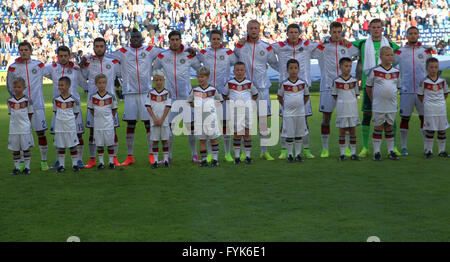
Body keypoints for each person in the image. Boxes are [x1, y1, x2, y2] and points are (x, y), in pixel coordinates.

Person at [108, 28, 161, 166]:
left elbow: (167, 52)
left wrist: (186, 49)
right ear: (130, 39)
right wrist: (87, 58)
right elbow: (105, 55)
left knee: (148, 124)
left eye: (138, 37)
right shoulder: (123, 52)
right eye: (133, 37)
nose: (135, 39)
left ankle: (152, 155)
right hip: (130, 93)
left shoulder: (150, 50)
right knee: (130, 124)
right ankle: (130, 156)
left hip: (146, 93)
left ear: (142, 39)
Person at [353, 19, 400, 158]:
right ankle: (366, 148)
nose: (376, 29)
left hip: (386, 84)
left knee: (391, 118)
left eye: (378, 27)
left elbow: (402, 52)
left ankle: (394, 147)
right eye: (373, 27)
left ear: (382, 29)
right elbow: (345, 45)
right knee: (367, 115)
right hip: (370, 84)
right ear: (370, 29)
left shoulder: (390, 45)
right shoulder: (362, 43)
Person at [154, 30, 202, 163]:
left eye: (177, 40)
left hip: (186, 98)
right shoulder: (162, 56)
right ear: (169, 41)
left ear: (181, 40)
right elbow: (156, 71)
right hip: (170, 98)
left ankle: (194, 154)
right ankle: (168, 156)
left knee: (190, 127)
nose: (175, 42)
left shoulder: (188, 55)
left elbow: (200, 70)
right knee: (169, 128)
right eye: (172, 40)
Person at [272, 23, 318, 159]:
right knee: (285, 122)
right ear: (287, 33)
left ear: (299, 33)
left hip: (302, 88)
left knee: (304, 121)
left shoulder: (307, 45)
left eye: (295, 32)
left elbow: (323, 44)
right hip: (286, 89)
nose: (293, 34)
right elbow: (264, 48)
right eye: (290, 32)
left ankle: (306, 149)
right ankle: (285, 150)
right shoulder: (279, 46)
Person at [314, 22, 360, 158]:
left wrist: (349, 44)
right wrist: (322, 43)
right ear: (330, 32)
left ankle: (345, 149)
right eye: (334, 32)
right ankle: (325, 148)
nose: (336, 35)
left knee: (346, 118)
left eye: (339, 32)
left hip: (344, 87)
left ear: (342, 32)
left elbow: (358, 52)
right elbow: (312, 52)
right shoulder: (324, 47)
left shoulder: (346, 46)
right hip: (328, 86)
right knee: (326, 117)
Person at [234, 20, 279, 161]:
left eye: (255, 28)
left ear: (259, 30)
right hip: (244, 89)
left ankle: (264, 151)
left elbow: (275, 64)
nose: (253, 30)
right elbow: (233, 59)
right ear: (247, 29)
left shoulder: (267, 47)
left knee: (263, 122)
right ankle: (242, 152)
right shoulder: (240, 47)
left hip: (262, 88)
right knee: (242, 122)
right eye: (251, 28)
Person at [6, 41, 49, 171]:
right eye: (21, 50)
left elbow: (54, 73)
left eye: (26, 50)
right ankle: (22, 164)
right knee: (20, 135)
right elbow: (9, 86)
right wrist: (18, 100)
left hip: (37, 105)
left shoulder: (39, 65)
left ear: (31, 51)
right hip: (21, 108)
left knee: (40, 133)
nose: (24, 52)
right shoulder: (13, 67)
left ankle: (43, 161)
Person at [80, 37, 121, 168]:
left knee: (112, 131)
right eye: (96, 46)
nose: (99, 48)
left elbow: (122, 74)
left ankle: (113, 159)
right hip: (94, 102)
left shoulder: (113, 62)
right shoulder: (88, 63)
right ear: (93, 48)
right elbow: (81, 77)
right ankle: (93, 159)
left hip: (110, 103)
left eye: (101, 46)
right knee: (92, 131)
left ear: (105, 47)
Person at [197, 29, 237, 163]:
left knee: (225, 123)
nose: (215, 41)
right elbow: (193, 58)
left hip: (224, 94)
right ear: (210, 39)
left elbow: (238, 64)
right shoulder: (203, 53)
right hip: (208, 95)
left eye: (217, 39)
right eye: (213, 39)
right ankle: (209, 154)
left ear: (221, 39)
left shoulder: (228, 53)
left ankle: (227, 153)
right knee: (208, 125)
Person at [44, 45, 86, 170]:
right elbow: (38, 70)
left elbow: (84, 83)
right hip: (59, 107)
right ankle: (58, 161)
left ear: (69, 56)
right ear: (57, 56)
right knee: (58, 135)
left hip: (73, 106)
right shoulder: (52, 68)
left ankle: (79, 160)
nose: (63, 58)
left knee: (78, 134)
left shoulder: (75, 69)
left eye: (65, 56)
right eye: (60, 56)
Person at [394, 27, 432, 156]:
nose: (413, 36)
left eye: (415, 33)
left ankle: (427, 148)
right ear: (407, 35)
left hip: (423, 91)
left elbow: (431, 69)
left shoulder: (426, 51)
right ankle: (404, 147)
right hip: (406, 90)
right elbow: (390, 64)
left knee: (424, 118)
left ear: (418, 35)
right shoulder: (400, 52)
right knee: (405, 118)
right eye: (410, 33)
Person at [365, 46, 400, 161]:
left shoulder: (396, 72)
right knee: (378, 127)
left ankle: (391, 151)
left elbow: (397, 87)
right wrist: (373, 100)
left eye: (391, 55)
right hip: (378, 105)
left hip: (391, 105)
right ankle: (377, 152)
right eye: (387, 55)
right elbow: (369, 87)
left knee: (389, 127)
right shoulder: (375, 71)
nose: (390, 57)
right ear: (380, 57)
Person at [222, 61, 259, 165]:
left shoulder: (249, 83)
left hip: (247, 112)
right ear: (233, 71)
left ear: (245, 71)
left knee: (247, 133)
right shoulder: (230, 83)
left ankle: (248, 156)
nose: (239, 72)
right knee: (237, 134)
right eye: (237, 70)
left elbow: (255, 94)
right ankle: (237, 157)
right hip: (235, 113)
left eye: (241, 70)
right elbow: (224, 95)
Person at [187, 67, 223, 167]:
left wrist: (211, 108)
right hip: (199, 120)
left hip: (211, 119)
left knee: (213, 139)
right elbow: (189, 101)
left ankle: (215, 159)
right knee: (202, 140)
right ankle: (204, 160)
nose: (200, 79)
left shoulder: (213, 89)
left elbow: (220, 100)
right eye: (198, 77)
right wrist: (198, 108)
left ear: (207, 77)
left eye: (202, 77)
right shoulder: (195, 90)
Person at [277, 59, 309, 163]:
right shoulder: (284, 84)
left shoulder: (303, 83)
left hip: (300, 112)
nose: (293, 70)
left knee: (299, 134)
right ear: (287, 70)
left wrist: (300, 105)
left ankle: (298, 154)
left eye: (295, 68)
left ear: (299, 69)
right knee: (289, 134)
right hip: (288, 113)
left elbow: (306, 95)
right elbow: (279, 96)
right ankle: (290, 155)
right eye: (291, 68)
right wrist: (286, 106)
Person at [418, 57, 449, 158]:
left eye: (436, 67)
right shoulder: (424, 81)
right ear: (427, 68)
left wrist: (439, 102)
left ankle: (441, 151)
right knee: (430, 130)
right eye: (431, 67)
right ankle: (429, 151)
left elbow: (445, 94)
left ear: (438, 68)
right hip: (429, 109)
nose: (433, 69)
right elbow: (420, 95)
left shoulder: (442, 81)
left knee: (442, 129)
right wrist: (428, 103)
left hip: (441, 109)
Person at [331, 57, 361, 161]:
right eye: (346, 66)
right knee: (342, 131)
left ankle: (353, 153)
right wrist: (342, 102)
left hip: (352, 109)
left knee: (353, 130)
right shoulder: (336, 81)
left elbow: (356, 94)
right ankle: (342, 153)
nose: (348, 68)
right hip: (342, 109)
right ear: (340, 67)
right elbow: (334, 95)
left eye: (350, 66)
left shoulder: (354, 81)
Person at [87, 74, 118, 170]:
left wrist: (107, 118)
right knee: (99, 144)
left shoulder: (111, 96)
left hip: (108, 124)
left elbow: (114, 110)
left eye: (103, 83)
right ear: (96, 84)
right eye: (99, 83)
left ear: (106, 83)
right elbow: (91, 110)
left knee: (110, 143)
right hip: (98, 124)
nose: (102, 85)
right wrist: (98, 117)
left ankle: (111, 162)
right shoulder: (93, 97)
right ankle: (101, 162)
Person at [53, 77, 81, 173]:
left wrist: (68, 120)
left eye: (62, 85)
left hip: (70, 126)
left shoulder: (74, 100)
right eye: (59, 85)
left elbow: (76, 113)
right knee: (61, 146)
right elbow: (55, 112)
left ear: (68, 86)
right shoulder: (56, 99)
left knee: (73, 146)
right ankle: (61, 165)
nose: (60, 87)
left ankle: (75, 165)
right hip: (59, 126)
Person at [145, 70, 172, 169]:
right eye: (156, 80)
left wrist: (162, 119)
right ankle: (155, 161)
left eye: (160, 80)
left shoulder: (167, 92)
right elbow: (148, 107)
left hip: (164, 122)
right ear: (153, 81)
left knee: (165, 140)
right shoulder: (151, 93)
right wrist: (155, 119)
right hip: (154, 122)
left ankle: (165, 160)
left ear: (164, 80)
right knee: (155, 141)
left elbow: (168, 107)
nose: (158, 82)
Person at [7, 77, 34, 175]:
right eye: (15, 87)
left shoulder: (28, 100)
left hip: (24, 128)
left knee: (26, 148)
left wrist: (27, 124)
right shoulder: (10, 100)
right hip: (13, 129)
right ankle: (17, 168)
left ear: (24, 88)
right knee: (15, 149)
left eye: (19, 87)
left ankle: (27, 168)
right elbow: (11, 114)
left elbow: (30, 114)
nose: (16, 89)